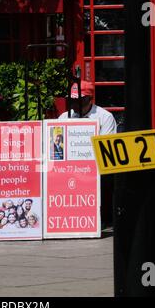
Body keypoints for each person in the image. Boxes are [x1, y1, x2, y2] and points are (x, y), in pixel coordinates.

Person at [59, 80, 117, 228]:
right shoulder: (64, 117)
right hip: (69, 166)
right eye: (71, 100)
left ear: (89, 99)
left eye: (78, 100)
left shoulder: (105, 117)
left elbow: (106, 147)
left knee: (106, 176)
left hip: (95, 165)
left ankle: (102, 216)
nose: (73, 104)